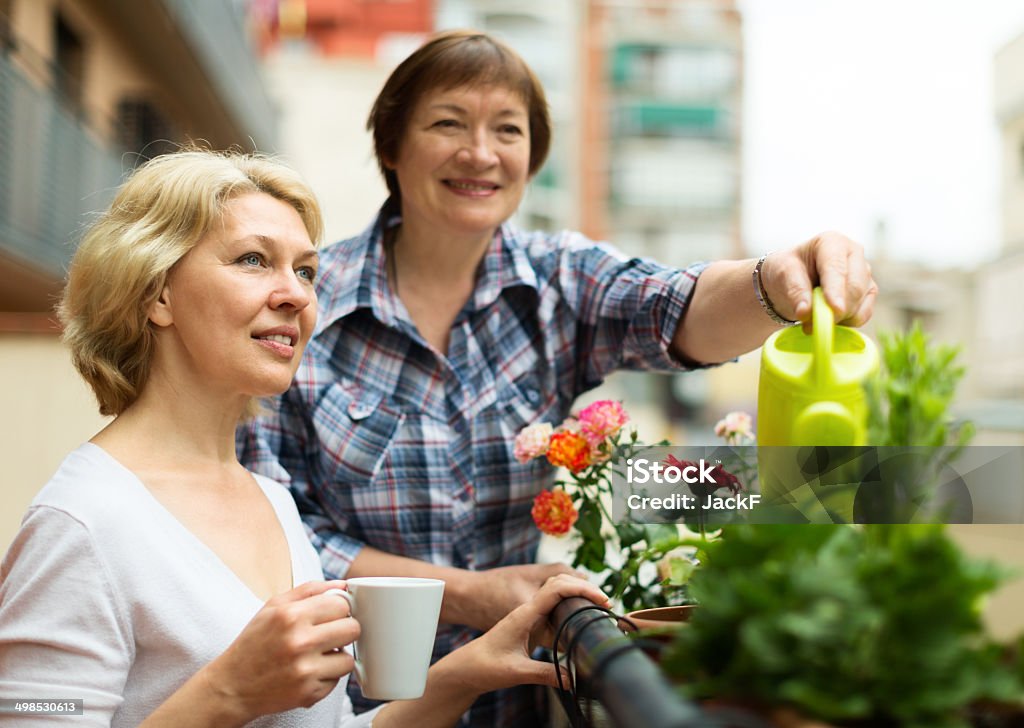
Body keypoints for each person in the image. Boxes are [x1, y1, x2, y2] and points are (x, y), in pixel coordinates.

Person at [237, 30, 879, 727]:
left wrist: (774, 285)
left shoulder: (558, 282)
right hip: (351, 707)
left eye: (506, 130)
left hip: (511, 706)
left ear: (531, 159)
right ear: (392, 146)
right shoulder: (304, 300)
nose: (480, 152)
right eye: (448, 122)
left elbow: (677, 308)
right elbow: (275, 532)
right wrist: (471, 594)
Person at [0, 148, 610, 727]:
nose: (297, 294)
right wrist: (226, 692)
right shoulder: (80, 524)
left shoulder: (273, 501)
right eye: (252, 260)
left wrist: (467, 674)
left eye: (307, 271)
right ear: (157, 291)